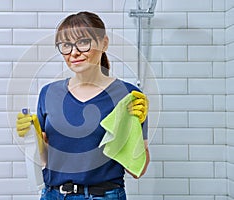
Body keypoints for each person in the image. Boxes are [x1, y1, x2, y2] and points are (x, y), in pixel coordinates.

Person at [16, 11, 150, 200]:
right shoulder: (49, 93)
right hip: (53, 195)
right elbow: (45, 160)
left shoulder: (127, 97)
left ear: (104, 43)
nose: (74, 52)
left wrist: (134, 129)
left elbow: (137, 170)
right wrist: (33, 136)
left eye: (83, 42)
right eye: (66, 45)